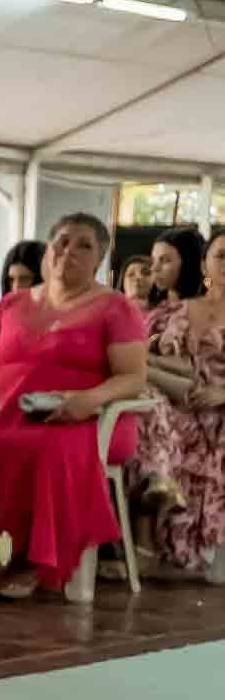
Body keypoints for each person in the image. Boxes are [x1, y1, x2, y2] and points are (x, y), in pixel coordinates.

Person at [0, 213, 150, 599]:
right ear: (48, 250)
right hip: (8, 410)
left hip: (91, 416)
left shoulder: (116, 308)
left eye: (84, 245)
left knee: (48, 450)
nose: (69, 251)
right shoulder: (12, 303)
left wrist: (88, 400)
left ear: (99, 258)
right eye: (62, 242)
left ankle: (31, 558)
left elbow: (133, 378)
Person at [134, 233, 225, 578]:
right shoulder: (174, 312)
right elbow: (143, 353)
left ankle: (158, 540)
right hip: (175, 403)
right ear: (204, 264)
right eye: (221, 256)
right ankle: (144, 537)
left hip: (217, 409)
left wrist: (222, 392)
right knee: (143, 403)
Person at [148, 226, 208, 309]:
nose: (154, 268)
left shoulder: (214, 305)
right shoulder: (151, 305)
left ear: (189, 263)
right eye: (153, 261)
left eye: (165, 260)